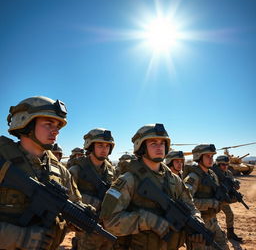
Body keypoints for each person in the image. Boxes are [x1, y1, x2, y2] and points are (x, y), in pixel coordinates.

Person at [100, 123, 204, 250]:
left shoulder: (174, 180)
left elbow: (190, 206)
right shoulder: (129, 180)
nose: (160, 147)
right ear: (142, 147)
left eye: (162, 143)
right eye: (153, 143)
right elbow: (110, 222)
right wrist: (148, 220)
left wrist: (197, 220)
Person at [0, 96, 82, 250]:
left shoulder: (60, 170)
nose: (56, 131)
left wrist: (80, 215)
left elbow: (73, 202)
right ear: (26, 123)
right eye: (48, 124)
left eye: (58, 125)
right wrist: (18, 237)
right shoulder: (3, 161)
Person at [69, 128, 115, 250]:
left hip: (108, 232)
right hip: (85, 232)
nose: (104, 149)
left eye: (107, 146)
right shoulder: (76, 170)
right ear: (90, 146)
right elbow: (67, 201)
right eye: (100, 145)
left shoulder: (111, 172)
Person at [183, 144, 230, 250]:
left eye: (212, 156)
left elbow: (217, 199)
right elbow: (186, 203)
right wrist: (210, 203)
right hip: (199, 224)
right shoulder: (193, 177)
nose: (210, 159)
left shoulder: (212, 175)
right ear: (199, 157)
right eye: (207, 156)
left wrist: (227, 200)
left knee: (224, 246)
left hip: (213, 221)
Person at [215, 155, 243, 242]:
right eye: (223, 164)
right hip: (214, 199)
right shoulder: (213, 173)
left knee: (230, 214)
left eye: (227, 165)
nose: (225, 166)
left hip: (224, 199)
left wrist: (236, 186)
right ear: (218, 165)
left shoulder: (228, 173)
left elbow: (233, 184)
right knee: (211, 218)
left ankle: (230, 233)